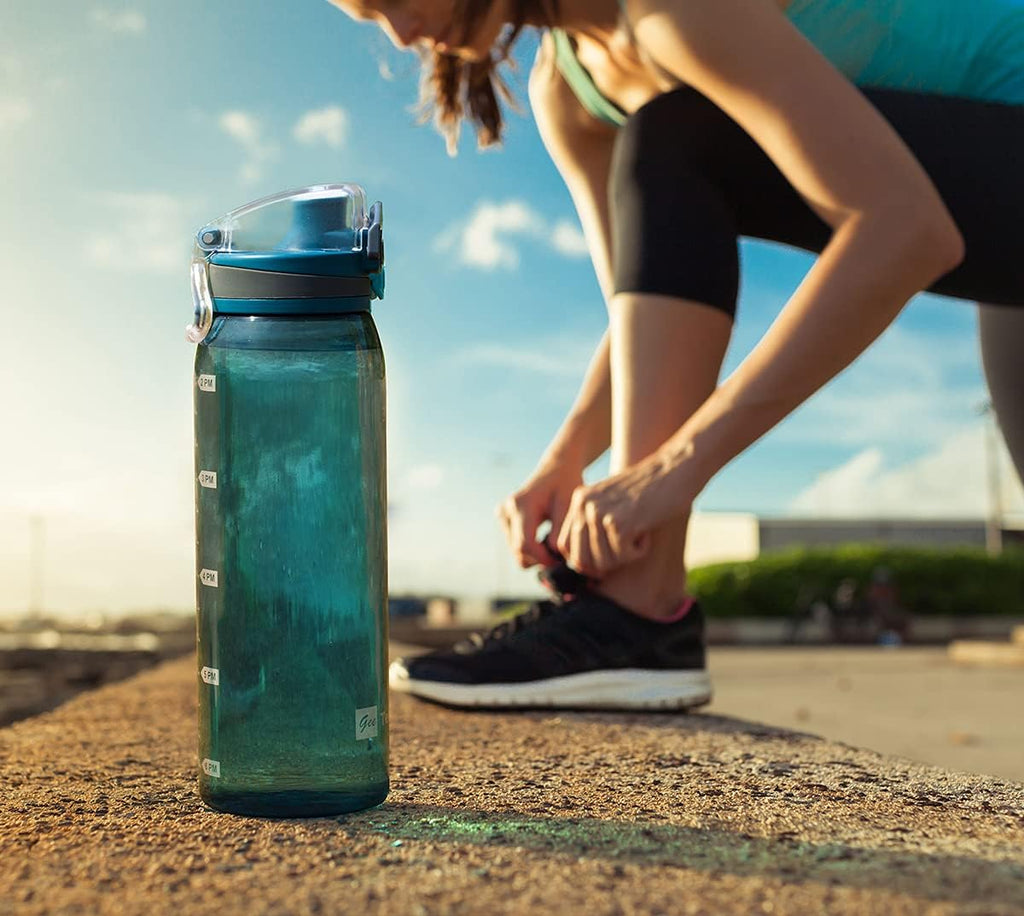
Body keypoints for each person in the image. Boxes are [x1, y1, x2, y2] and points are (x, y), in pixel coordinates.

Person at [328, 0, 1024, 709]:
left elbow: (905, 229)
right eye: (371, 18)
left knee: (674, 133)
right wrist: (565, 458)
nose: (404, 34)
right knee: (670, 138)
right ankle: (635, 614)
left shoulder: (671, 9)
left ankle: (638, 610)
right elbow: (647, 315)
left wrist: (673, 468)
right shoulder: (568, 91)